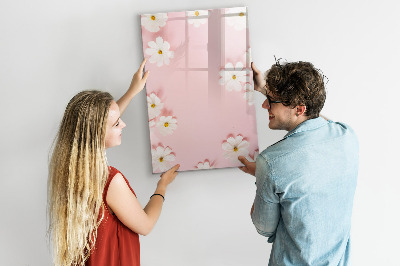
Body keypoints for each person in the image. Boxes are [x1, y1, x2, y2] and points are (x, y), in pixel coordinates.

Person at [47, 58, 180, 266]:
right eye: (117, 124)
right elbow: (145, 225)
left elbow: (101, 122)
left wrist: (132, 91)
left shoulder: (69, 170)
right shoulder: (110, 181)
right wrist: (161, 186)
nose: (124, 125)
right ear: (98, 133)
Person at [238, 60, 359, 265]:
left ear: (299, 108)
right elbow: (315, 117)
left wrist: (262, 176)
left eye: (271, 100)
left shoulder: (271, 162)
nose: (264, 104)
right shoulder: (347, 136)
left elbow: (264, 227)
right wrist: (265, 90)